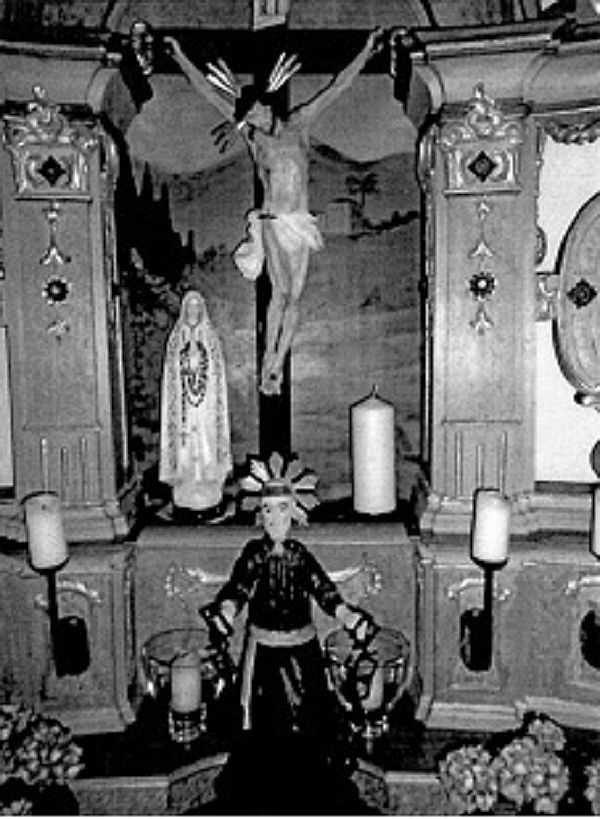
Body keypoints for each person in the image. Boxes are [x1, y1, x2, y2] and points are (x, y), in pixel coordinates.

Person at [165, 29, 384, 395]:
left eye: (254, 111)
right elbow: (209, 92)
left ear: (266, 105)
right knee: (280, 293)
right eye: (246, 117)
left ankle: (278, 363)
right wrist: (178, 56)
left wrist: (366, 51)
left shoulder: (299, 124)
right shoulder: (255, 140)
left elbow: (336, 88)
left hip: (300, 222)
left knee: (294, 298)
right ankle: (269, 361)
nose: (252, 119)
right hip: (273, 220)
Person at [199, 453, 375, 813]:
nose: (274, 518)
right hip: (264, 656)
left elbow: (324, 590)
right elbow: (239, 587)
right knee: (262, 722)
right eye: (267, 510)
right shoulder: (254, 554)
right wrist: (227, 611)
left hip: (301, 653)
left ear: (294, 511)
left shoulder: (300, 556)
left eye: (281, 509)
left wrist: (347, 615)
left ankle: (308, 782)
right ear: (259, 513)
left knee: (307, 716)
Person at [159, 289, 232, 513]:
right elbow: (171, 374)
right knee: (185, 445)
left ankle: (209, 488)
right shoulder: (176, 339)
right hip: (183, 406)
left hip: (206, 405)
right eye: (189, 306)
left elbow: (216, 374)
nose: (193, 310)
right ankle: (185, 491)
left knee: (206, 441)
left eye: (196, 306)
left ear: (202, 310)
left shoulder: (211, 338)